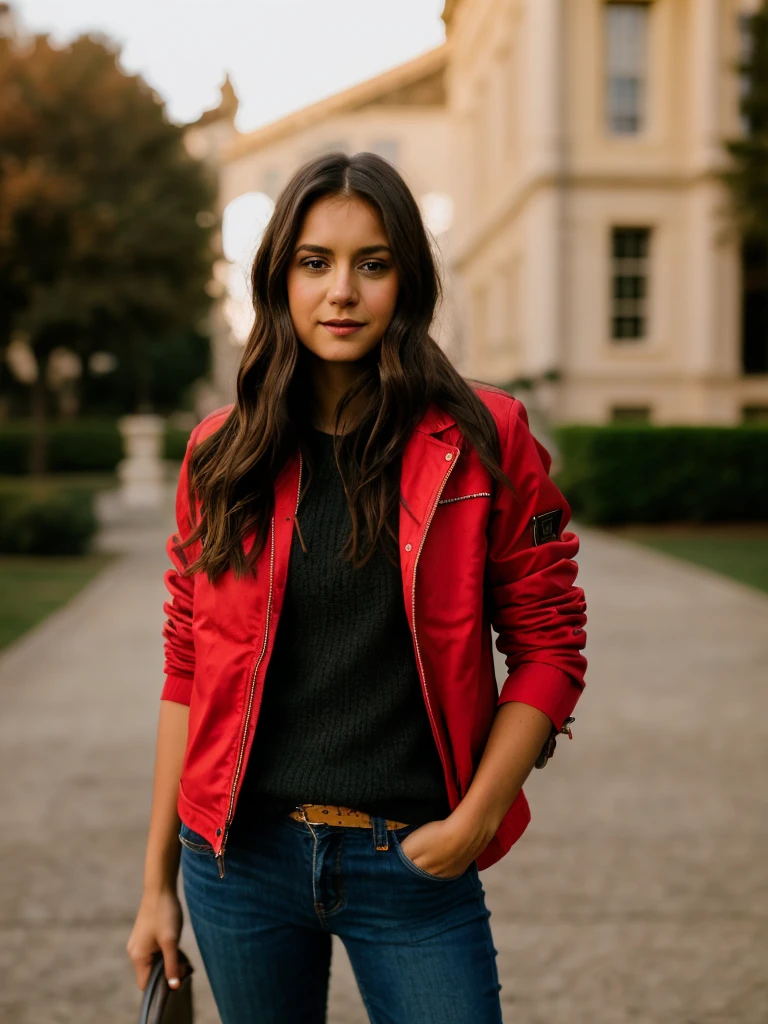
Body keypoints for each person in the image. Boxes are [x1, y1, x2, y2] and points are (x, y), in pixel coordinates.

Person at [126, 150, 588, 1023]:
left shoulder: (487, 438)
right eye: (315, 263)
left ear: (406, 280)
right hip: (239, 864)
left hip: (413, 862)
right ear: (279, 280)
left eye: (371, 264)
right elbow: (186, 668)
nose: (342, 291)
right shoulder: (219, 456)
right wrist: (156, 888)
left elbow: (550, 645)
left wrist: (473, 824)